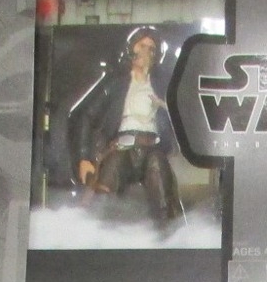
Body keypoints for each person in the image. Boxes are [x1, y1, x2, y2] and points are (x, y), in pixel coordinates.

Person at [73, 26, 184, 225]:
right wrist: (84, 157)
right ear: (131, 49)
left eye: (151, 48)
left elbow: (181, 113)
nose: (146, 51)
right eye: (141, 46)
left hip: (152, 148)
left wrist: (166, 106)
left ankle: (169, 234)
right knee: (104, 194)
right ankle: (94, 233)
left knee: (162, 185)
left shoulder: (162, 85)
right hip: (121, 147)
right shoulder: (116, 83)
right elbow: (87, 115)